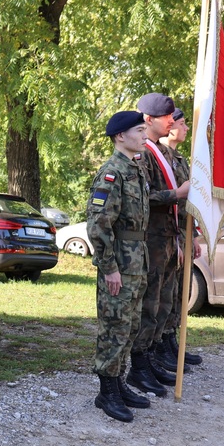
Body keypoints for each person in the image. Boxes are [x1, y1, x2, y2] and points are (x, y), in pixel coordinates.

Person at [127, 93, 193, 397]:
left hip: (167, 238)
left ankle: (152, 356)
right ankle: (139, 365)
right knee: (149, 303)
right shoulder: (144, 154)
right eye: (166, 117)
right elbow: (143, 197)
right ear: (149, 119)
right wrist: (176, 195)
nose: (171, 121)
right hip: (151, 240)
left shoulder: (163, 153)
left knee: (162, 302)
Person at [86, 110, 151, 422]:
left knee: (130, 325)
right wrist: (109, 267)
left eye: (144, 130)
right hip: (120, 264)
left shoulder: (135, 170)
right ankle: (106, 391)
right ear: (120, 136)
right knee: (114, 327)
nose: (144, 135)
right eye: (139, 130)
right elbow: (98, 225)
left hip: (137, 261)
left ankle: (119, 381)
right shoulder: (111, 173)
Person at [158, 108, 203, 368]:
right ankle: (161, 346)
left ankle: (171, 341)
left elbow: (188, 204)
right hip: (166, 234)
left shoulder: (179, 159)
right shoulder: (157, 156)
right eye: (182, 124)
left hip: (181, 232)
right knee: (166, 293)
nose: (186, 128)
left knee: (179, 291)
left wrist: (193, 235)